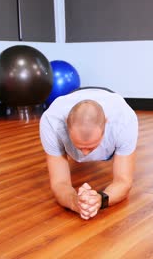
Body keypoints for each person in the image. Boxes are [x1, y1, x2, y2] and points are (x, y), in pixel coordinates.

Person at [40, 87, 138, 220]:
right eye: (80, 147)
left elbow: (124, 182)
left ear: (106, 124)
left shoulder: (125, 120)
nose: (85, 154)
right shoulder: (51, 121)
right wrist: (75, 202)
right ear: (66, 127)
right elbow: (59, 183)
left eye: (91, 147)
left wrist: (100, 200)